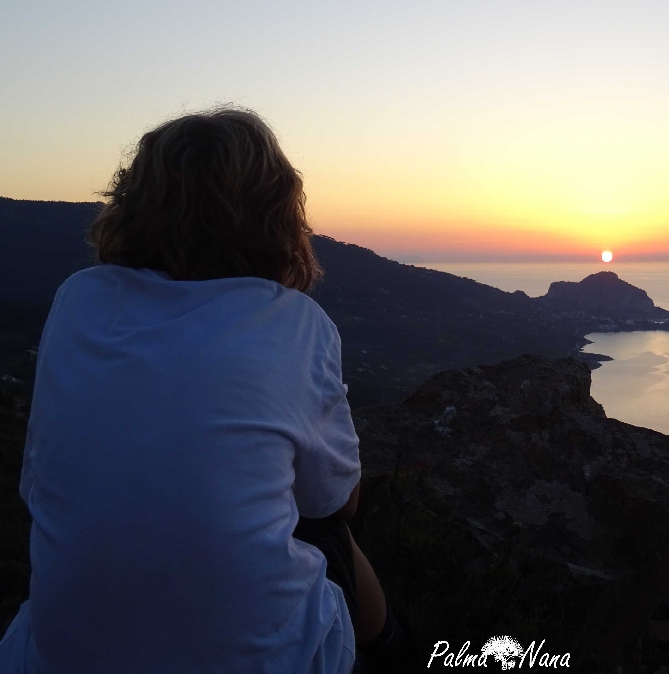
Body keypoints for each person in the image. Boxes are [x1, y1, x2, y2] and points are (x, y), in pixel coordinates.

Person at [0, 108, 409, 673]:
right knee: (326, 531)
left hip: (56, 657)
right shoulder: (295, 322)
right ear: (278, 212)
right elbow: (336, 502)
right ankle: (392, 652)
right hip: (264, 661)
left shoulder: (79, 299)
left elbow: (38, 483)